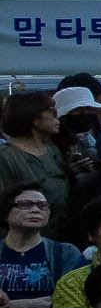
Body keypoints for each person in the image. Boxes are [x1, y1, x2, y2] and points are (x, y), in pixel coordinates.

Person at [0, 87, 75, 222]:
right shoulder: (6, 156)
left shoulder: (53, 151)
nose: (57, 117)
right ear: (34, 118)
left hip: (59, 231)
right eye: (52, 112)